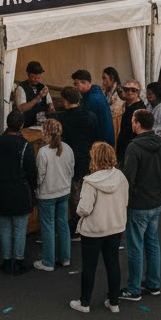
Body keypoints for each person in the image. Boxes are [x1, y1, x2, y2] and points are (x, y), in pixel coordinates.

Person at [70, 142, 128, 314]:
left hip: (94, 230)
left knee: (89, 267)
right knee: (113, 264)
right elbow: (125, 200)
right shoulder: (121, 177)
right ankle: (114, 302)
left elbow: (83, 209)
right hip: (115, 227)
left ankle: (85, 302)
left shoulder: (90, 182)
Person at [119, 109, 161, 302]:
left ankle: (134, 288)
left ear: (137, 123)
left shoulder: (134, 147)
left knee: (135, 246)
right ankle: (153, 283)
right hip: (156, 201)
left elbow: (128, 178)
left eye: (133, 120)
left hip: (139, 203)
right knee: (152, 243)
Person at [0, 110, 37, 275]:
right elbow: (31, 171)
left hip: (2, 189)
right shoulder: (25, 146)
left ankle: (6, 260)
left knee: (5, 227)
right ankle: (18, 261)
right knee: (19, 227)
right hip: (20, 190)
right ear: (22, 125)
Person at [55, 86, 99, 240]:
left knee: (74, 194)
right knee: (87, 192)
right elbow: (94, 135)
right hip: (87, 157)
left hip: (70, 159)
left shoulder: (61, 118)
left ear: (66, 101)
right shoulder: (90, 116)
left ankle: (77, 226)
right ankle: (88, 222)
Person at [34, 118, 74, 272]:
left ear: (45, 133)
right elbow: (71, 171)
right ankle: (65, 258)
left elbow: (40, 176)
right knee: (63, 224)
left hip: (47, 193)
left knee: (48, 227)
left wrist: (37, 191)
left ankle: (48, 261)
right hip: (64, 191)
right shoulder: (68, 149)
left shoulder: (43, 152)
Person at [71, 69, 115, 146]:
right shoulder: (93, 94)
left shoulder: (92, 99)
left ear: (85, 82)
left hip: (100, 142)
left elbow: (90, 125)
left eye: (76, 84)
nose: (75, 87)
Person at [12, 60, 54, 125]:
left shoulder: (43, 87)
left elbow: (49, 103)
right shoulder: (21, 88)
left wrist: (51, 107)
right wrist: (38, 97)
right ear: (28, 75)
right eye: (33, 77)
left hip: (42, 123)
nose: (36, 80)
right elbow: (22, 108)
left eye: (38, 77)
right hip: (27, 123)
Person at [115, 79, 146, 166]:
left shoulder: (140, 110)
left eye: (133, 90)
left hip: (133, 151)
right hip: (125, 149)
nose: (129, 92)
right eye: (126, 89)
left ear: (138, 92)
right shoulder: (128, 107)